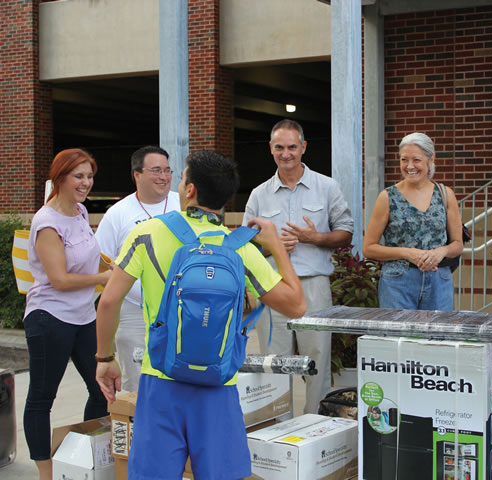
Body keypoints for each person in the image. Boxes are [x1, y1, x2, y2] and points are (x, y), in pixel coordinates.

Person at [95, 150, 306, 480]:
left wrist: (105, 357)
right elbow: (296, 305)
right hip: (218, 384)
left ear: (190, 190)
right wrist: (277, 246)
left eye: (181, 178)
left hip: (161, 379)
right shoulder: (239, 248)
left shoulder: (146, 233)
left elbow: (108, 302)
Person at [243, 119, 353, 415]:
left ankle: (315, 424)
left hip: (313, 285)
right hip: (272, 287)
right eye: (279, 147)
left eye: (292, 147)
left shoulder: (327, 187)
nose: (286, 153)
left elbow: (346, 232)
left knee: (316, 356)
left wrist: (312, 237)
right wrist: (272, 247)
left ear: (303, 147)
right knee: (274, 359)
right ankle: (278, 425)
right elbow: (245, 246)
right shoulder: (258, 194)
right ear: (271, 149)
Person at [23, 148, 111, 480]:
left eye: (89, 176)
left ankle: (85, 455)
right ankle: (46, 473)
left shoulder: (79, 211)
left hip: (84, 316)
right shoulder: (46, 222)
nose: (86, 183)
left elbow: (86, 249)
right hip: (50, 318)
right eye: (79, 176)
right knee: (42, 397)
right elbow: (59, 279)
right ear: (60, 178)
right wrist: (102, 279)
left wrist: (107, 263)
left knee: (102, 388)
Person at [95, 145, 180, 392]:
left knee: (178, 382)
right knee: (138, 385)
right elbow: (103, 260)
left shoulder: (182, 204)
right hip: (134, 314)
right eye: (156, 170)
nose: (163, 177)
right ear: (137, 174)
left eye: (167, 170)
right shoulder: (118, 214)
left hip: (179, 311)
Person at [363, 132, 463, 311]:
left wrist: (441, 251)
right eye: (404, 160)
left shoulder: (445, 194)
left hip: (439, 279)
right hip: (398, 280)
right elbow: (369, 248)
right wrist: (408, 253)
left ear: (431, 160)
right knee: (399, 337)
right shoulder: (387, 197)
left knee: (437, 336)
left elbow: (458, 245)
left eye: (416, 160)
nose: (410, 166)